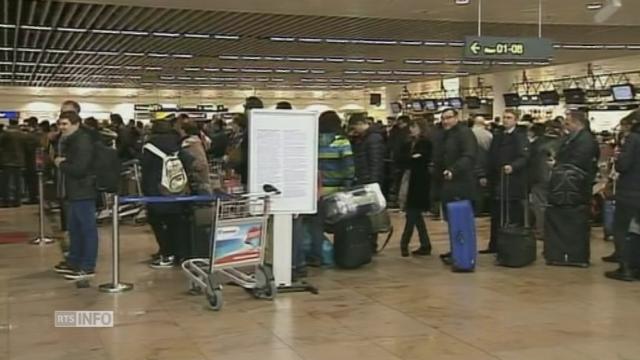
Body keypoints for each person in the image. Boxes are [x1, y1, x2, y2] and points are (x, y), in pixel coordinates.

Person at [52, 111, 100, 280]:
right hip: (73, 192)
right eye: (60, 124)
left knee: (87, 230)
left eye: (65, 124)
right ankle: (74, 261)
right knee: (75, 230)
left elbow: (80, 169)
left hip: (83, 191)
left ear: (76, 124)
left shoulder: (82, 142)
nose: (61, 127)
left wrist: (61, 163)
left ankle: (87, 266)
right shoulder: (70, 140)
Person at [305, 111, 355, 268]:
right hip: (338, 190)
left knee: (316, 225)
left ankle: (316, 256)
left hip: (316, 189)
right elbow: (348, 166)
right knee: (341, 225)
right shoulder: (341, 142)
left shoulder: (313, 140)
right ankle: (342, 254)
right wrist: (349, 182)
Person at [142, 118, 192, 268]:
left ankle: (166, 253)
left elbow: (146, 168)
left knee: (158, 223)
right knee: (176, 224)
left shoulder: (149, 147)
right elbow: (189, 161)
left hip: (157, 191)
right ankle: (179, 254)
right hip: (177, 190)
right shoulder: (178, 143)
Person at [480, 109, 530, 254]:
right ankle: (494, 244)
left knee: (511, 214)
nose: (506, 120)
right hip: (497, 180)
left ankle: (510, 245)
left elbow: (525, 157)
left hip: (512, 182)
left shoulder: (520, 137)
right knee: (495, 214)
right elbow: (491, 157)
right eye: (504, 117)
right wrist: (485, 175)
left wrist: (513, 166)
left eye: (509, 118)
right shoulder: (498, 136)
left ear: (515, 120)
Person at [435, 108, 478, 261]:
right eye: (443, 118)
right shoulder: (444, 135)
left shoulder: (464, 133)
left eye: (448, 118)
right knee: (452, 220)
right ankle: (457, 250)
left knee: (462, 220)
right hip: (448, 183)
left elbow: (469, 155)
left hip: (461, 183)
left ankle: (465, 253)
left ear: (456, 118)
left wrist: (454, 170)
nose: (445, 121)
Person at [605, 119, 640, 281]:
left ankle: (625, 268)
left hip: (631, 191)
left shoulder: (633, 139)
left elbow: (623, 165)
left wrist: (617, 159)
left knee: (621, 229)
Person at [348, 113, 386, 252]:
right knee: (366, 213)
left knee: (371, 214)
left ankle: (372, 243)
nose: (354, 131)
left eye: (354, 128)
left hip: (369, 182)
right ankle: (368, 242)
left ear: (360, 124)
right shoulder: (364, 138)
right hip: (364, 179)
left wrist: (373, 183)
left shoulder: (373, 138)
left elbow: (376, 162)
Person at [398, 118, 432, 257]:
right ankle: (425, 244)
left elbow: (423, 159)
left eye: (414, 127)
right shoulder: (407, 144)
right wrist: (412, 158)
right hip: (408, 180)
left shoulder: (426, 144)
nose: (411, 129)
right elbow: (401, 159)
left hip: (419, 183)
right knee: (415, 215)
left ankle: (404, 243)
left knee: (412, 214)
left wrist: (413, 158)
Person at [527, 121, 564, 240]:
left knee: (540, 206)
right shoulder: (564, 142)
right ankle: (554, 231)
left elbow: (530, 159)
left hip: (539, 178)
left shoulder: (538, 143)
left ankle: (541, 231)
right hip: (559, 178)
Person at [0, 119, 26, 207]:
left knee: (5, 182)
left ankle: (6, 200)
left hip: (7, 161)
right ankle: (17, 201)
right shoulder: (22, 134)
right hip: (19, 160)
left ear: (9, 123)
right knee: (17, 182)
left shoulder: (6, 134)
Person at [471, 115, 492, 215]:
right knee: (481, 191)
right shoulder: (488, 135)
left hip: (471, 166)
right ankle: (480, 209)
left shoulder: (469, 133)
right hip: (484, 165)